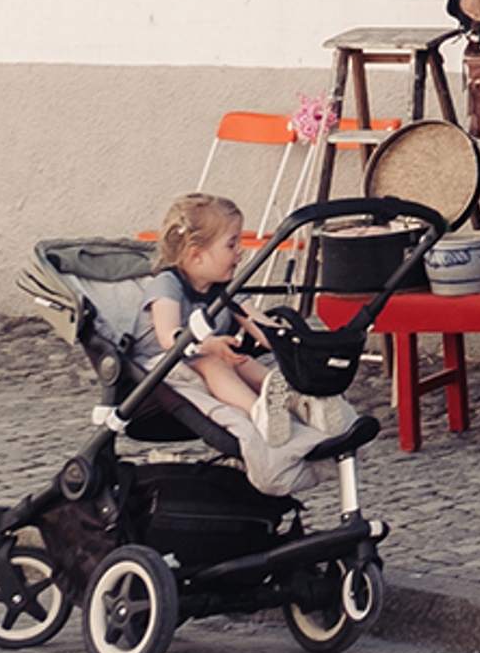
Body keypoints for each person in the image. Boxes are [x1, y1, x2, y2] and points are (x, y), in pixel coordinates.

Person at [144, 193, 375, 496]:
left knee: (245, 361)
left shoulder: (225, 287)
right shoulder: (168, 284)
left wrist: (296, 343)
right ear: (196, 254)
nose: (240, 251)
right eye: (231, 244)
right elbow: (168, 335)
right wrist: (208, 345)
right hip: (172, 362)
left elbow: (259, 325)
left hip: (217, 355)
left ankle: (297, 400)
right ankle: (258, 412)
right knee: (216, 362)